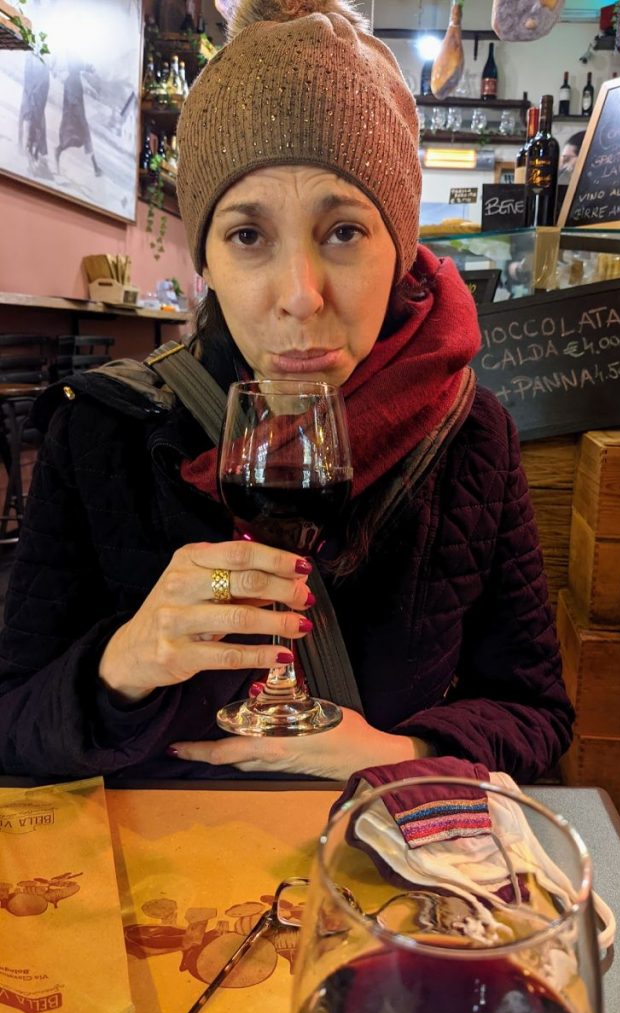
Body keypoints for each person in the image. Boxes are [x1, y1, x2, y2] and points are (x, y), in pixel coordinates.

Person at [0, 0, 572, 784]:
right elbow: (10, 727)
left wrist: (398, 754)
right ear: (206, 256)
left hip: (379, 870)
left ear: (401, 250)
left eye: (343, 232)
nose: (300, 295)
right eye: (248, 235)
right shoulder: (104, 432)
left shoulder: (472, 435)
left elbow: (536, 713)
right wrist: (124, 663)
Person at [55, 60, 102, 177]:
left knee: (81, 140)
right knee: (76, 140)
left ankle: (96, 167)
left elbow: (81, 67)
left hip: (77, 116)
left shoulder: (75, 79)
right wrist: (80, 118)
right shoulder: (72, 81)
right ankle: (95, 167)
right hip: (73, 118)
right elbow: (72, 101)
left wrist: (88, 69)